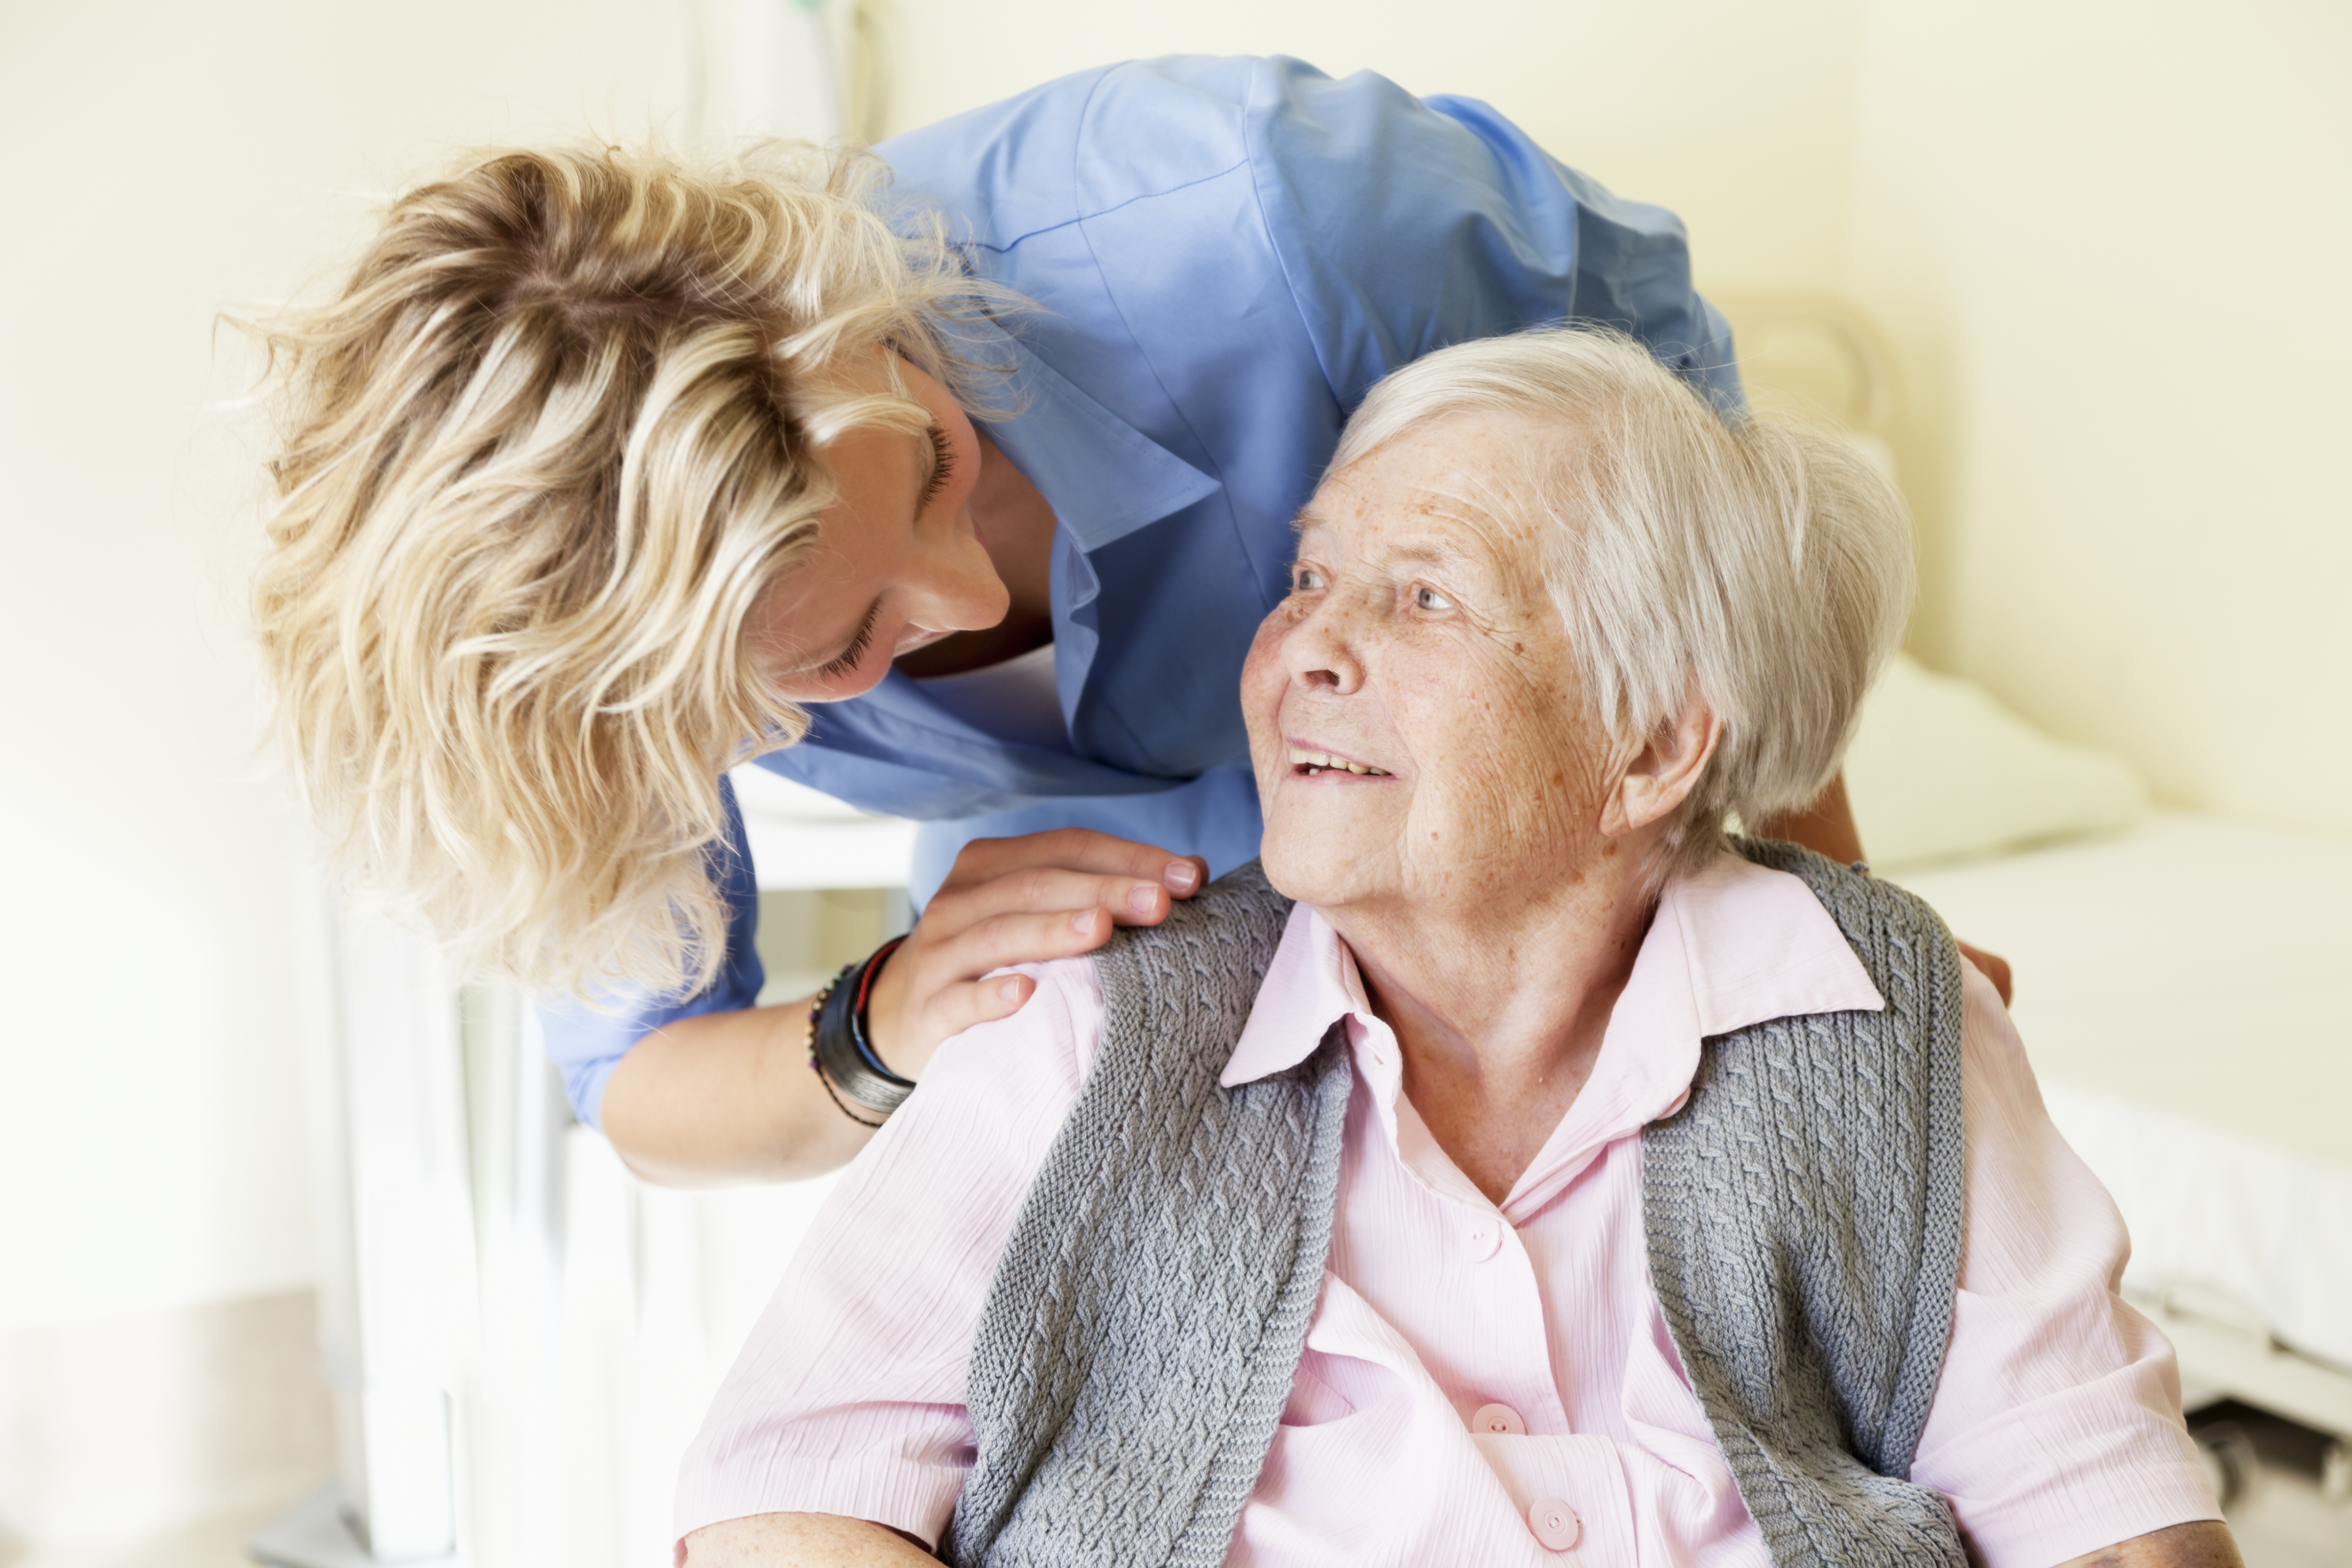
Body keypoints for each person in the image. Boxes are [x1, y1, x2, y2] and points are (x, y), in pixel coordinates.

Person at [250, 55, 1999, 1188]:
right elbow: (638, 1084)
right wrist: (880, 1021)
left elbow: (1701, 537)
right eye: (836, 658)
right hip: (1133, 967)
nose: (954, 612)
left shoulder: (1272, 226)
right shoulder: (598, 659)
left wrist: (1833, 928)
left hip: (1505, 858)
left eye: (933, 470)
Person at [672, 329, 2231, 1568]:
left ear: (1651, 746)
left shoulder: (1892, 1022)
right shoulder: (1080, 1028)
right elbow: (785, 1503)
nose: (1303, 654)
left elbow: (2108, 1519)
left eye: (1423, 596)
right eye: (1306, 578)